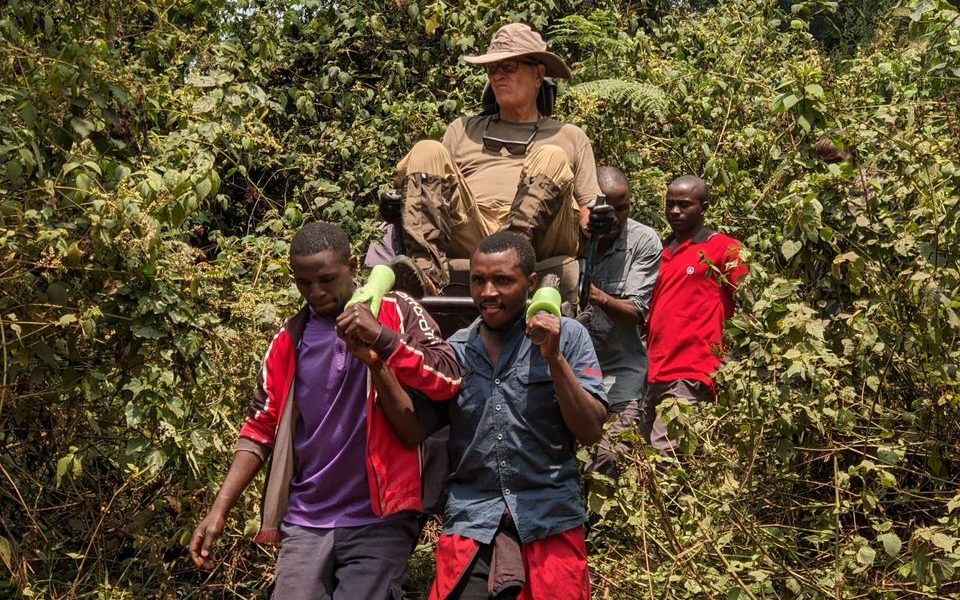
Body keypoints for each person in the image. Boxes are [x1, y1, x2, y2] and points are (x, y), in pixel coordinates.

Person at [189, 221, 461, 599]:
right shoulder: (289, 340)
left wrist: (383, 340)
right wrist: (219, 510)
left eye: (327, 279)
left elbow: (448, 377)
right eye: (303, 283)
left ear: (352, 266)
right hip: (306, 519)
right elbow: (259, 429)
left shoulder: (397, 312)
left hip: (382, 518)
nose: (315, 293)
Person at [423, 231, 608, 600]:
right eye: (478, 280)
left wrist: (553, 358)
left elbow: (589, 430)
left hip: (551, 517)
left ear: (531, 283)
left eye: (503, 281)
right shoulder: (455, 349)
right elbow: (415, 428)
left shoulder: (569, 337)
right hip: (473, 520)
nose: (488, 292)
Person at [384, 22, 601, 296]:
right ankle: (426, 276)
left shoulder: (569, 135)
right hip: (473, 226)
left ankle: (510, 259)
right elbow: (430, 190)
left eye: (509, 67)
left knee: (551, 156)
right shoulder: (462, 130)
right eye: (492, 69)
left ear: (538, 74)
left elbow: (588, 212)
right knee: (426, 149)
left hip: (542, 236)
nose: (498, 76)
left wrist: (600, 222)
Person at [641, 176, 748, 454]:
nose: (675, 211)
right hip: (652, 373)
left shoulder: (724, 248)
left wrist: (732, 361)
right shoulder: (659, 252)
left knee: (666, 456)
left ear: (704, 208)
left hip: (692, 370)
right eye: (670, 204)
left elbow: (749, 301)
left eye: (684, 205)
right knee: (642, 460)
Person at [581, 166, 662, 477]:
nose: (615, 217)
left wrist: (596, 296)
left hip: (620, 369)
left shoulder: (643, 241)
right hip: (572, 372)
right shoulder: (568, 238)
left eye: (623, 208)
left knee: (610, 455)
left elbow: (637, 313)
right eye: (606, 209)